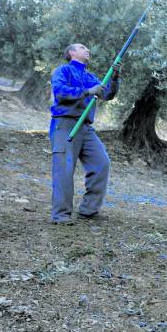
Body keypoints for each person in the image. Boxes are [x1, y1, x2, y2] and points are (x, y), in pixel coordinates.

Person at [49, 43, 120, 225]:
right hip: (65, 124)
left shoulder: (90, 76)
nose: (88, 50)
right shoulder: (63, 71)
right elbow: (60, 92)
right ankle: (61, 215)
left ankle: (89, 210)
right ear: (72, 52)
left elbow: (107, 94)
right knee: (64, 169)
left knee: (101, 163)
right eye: (83, 47)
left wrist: (114, 77)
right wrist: (87, 92)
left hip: (86, 128)